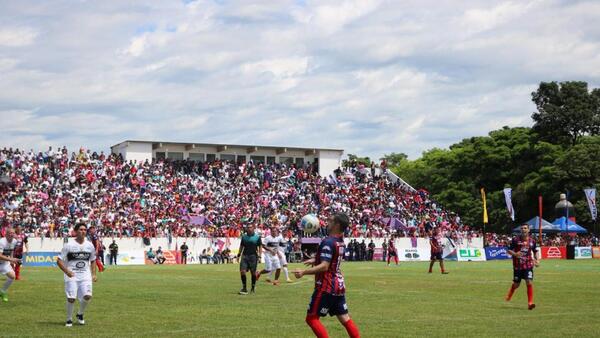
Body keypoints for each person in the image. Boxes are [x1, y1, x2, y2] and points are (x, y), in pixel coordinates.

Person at [294, 213, 360, 338]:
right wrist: (315, 259)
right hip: (338, 285)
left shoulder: (328, 241)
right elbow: (332, 259)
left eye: (330, 220)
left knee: (311, 318)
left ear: (337, 225)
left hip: (326, 286)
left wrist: (303, 272)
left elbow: (325, 266)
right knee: (345, 318)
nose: (327, 222)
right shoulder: (340, 241)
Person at [57, 223, 98, 327]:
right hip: (72, 275)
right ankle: (69, 319)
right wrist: (67, 272)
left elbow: (93, 260)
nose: (83, 231)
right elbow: (59, 261)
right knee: (71, 298)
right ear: (75, 231)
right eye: (80, 229)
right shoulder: (69, 245)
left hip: (85, 275)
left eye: (84, 230)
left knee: (88, 296)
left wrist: (93, 274)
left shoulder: (89, 245)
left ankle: (80, 314)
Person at [506, 223, 539, 310]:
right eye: (522, 228)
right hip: (517, 266)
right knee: (516, 284)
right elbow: (509, 250)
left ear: (528, 230)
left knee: (529, 282)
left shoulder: (532, 241)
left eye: (525, 228)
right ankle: (510, 294)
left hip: (528, 265)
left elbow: (535, 251)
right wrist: (515, 254)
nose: (523, 230)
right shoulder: (516, 240)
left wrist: (537, 260)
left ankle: (530, 303)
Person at [237, 224, 262, 295]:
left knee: (253, 273)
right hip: (245, 256)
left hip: (253, 256)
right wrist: (239, 255)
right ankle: (244, 288)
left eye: (250, 227)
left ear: (253, 228)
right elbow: (241, 246)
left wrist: (260, 256)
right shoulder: (244, 237)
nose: (249, 228)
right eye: (247, 227)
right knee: (242, 271)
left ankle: (253, 288)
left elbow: (260, 246)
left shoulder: (257, 237)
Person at [0, 227, 21, 302]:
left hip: (4, 263)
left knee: (12, 276)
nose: (12, 234)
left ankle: (2, 291)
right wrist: (11, 259)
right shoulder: (2, 242)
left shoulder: (14, 241)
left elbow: (11, 251)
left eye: (13, 233)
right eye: (10, 233)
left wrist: (12, 261)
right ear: (6, 234)